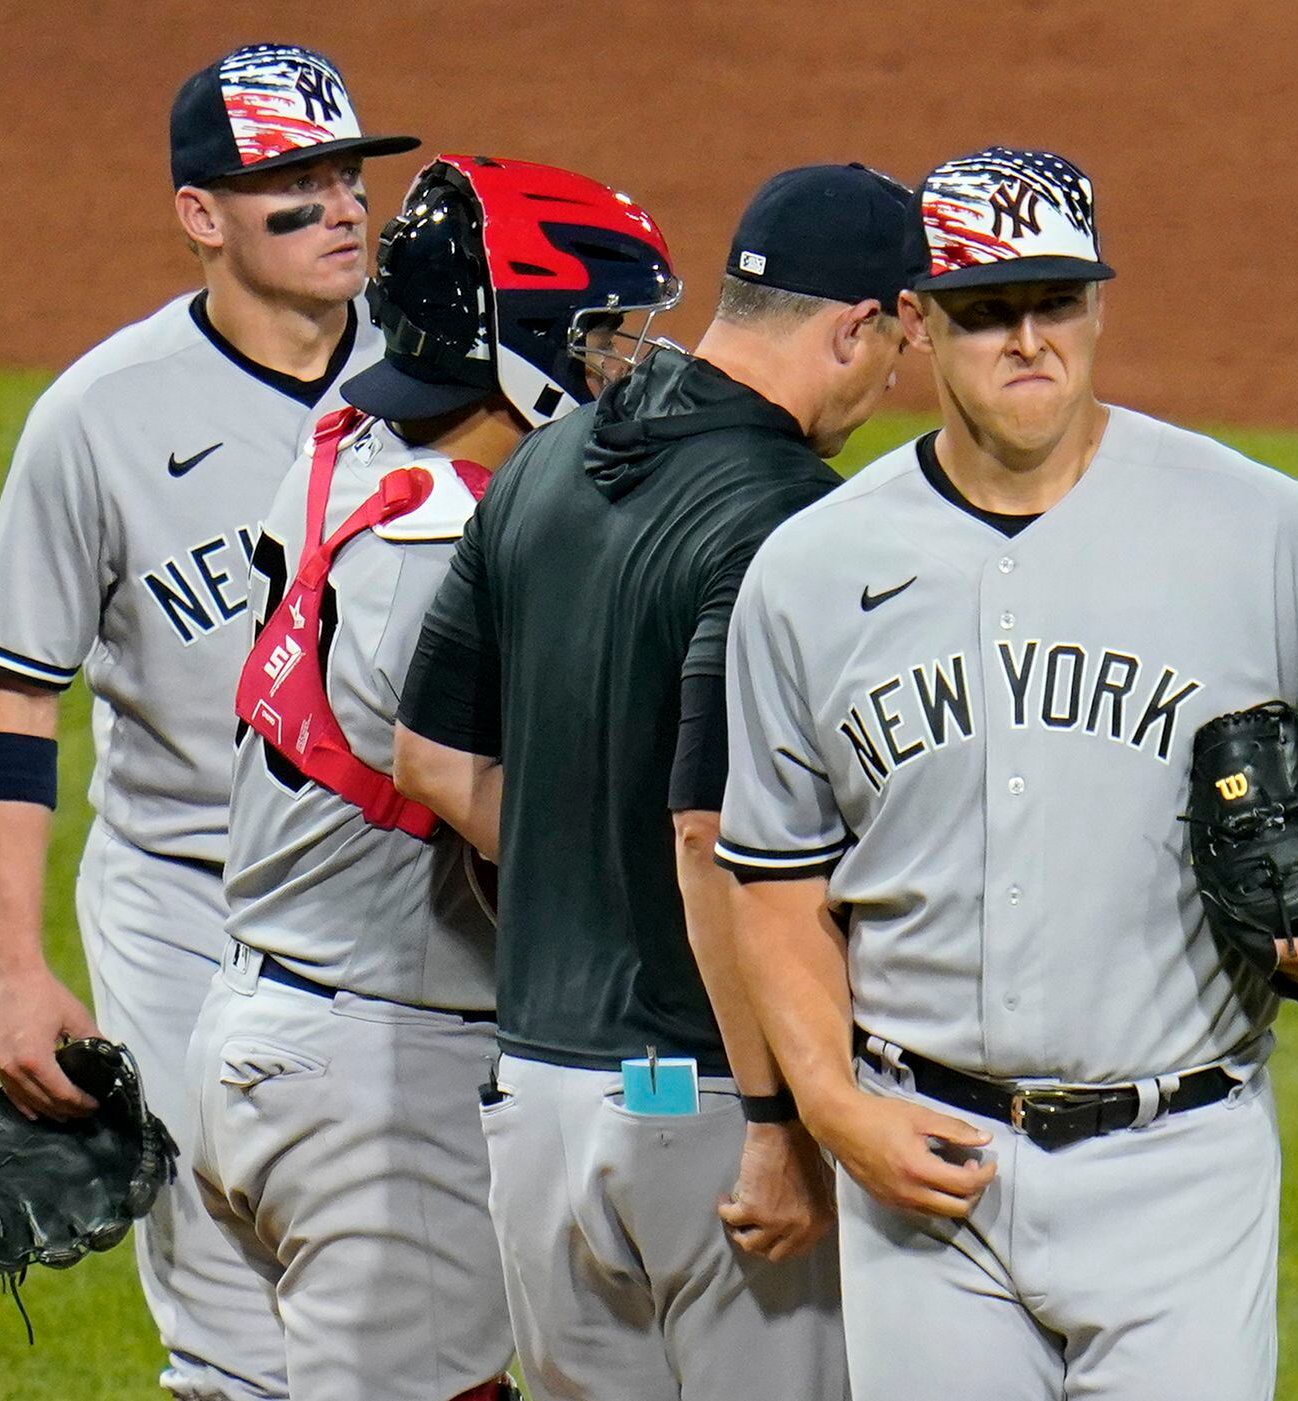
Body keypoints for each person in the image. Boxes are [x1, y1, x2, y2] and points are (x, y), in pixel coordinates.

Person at [714, 145, 1298, 1401]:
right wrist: (832, 1106)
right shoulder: (808, 568)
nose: (1027, 341)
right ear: (916, 322)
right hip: (925, 1167)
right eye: (985, 311)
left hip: (1182, 1168)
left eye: (1055, 302)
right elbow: (776, 880)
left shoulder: (1262, 528)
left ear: (1100, 305)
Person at [391, 161, 922, 1401]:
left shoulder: (543, 455)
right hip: (707, 1106)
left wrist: (592, 870)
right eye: (896, 343)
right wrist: (781, 1118)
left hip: (533, 1099)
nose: (894, 381)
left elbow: (430, 756)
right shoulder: (792, 517)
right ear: (856, 326)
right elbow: (710, 840)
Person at [0, 42, 415, 1399]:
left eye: (348, 173)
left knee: (439, 1295)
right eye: (293, 181)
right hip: (184, 909)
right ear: (200, 214)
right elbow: (6, 700)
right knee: (232, 1322)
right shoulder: (96, 417)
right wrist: (11, 966)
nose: (341, 205)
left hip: (412, 899)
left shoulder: (447, 377)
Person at [186, 153, 679, 1401]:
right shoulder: (446, 555)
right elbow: (530, 832)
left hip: (279, 1037)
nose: (625, 366)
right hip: (378, 1076)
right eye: (604, 337)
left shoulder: (346, 435)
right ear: (519, 353)